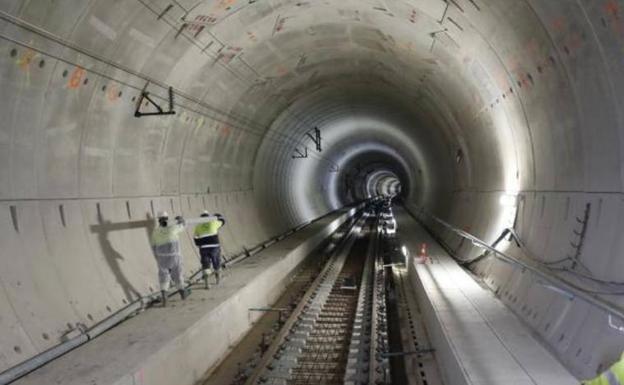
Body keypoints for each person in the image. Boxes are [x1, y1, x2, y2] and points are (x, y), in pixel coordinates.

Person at [150, 211, 190, 306]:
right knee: (177, 274)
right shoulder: (173, 228)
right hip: (174, 256)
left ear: (159, 220)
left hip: (162, 257)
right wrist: (180, 219)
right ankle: (183, 293)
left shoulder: (155, 232)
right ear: (167, 218)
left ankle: (164, 295)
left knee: (163, 275)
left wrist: (158, 256)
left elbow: (153, 245)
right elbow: (184, 225)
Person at [193, 211, 226, 289]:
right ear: (208, 216)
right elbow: (223, 221)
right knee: (216, 262)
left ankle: (207, 284)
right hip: (214, 246)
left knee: (206, 265)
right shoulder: (213, 222)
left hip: (204, 248)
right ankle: (218, 280)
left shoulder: (198, 226)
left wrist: (200, 244)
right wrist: (218, 216)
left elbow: (195, 237)